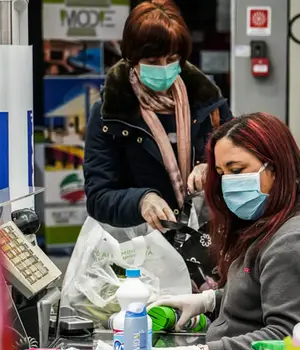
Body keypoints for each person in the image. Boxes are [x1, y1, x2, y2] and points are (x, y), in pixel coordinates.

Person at [150, 113, 300, 350]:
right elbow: (261, 296)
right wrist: (209, 301)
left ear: (275, 167)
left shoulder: (293, 242)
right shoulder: (268, 224)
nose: (228, 182)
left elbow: (288, 339)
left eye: (237, 170)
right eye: (221, 172)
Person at [84, 0, 233, 231]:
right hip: (145, 245)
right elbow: (99, 198)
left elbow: (237, 166)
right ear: (132, 60)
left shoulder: (209, 104)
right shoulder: (110, 114)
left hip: (205, 240)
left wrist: (212, 168)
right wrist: (141, 201)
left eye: (172, 59)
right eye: (152, 61)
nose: (164, 68)